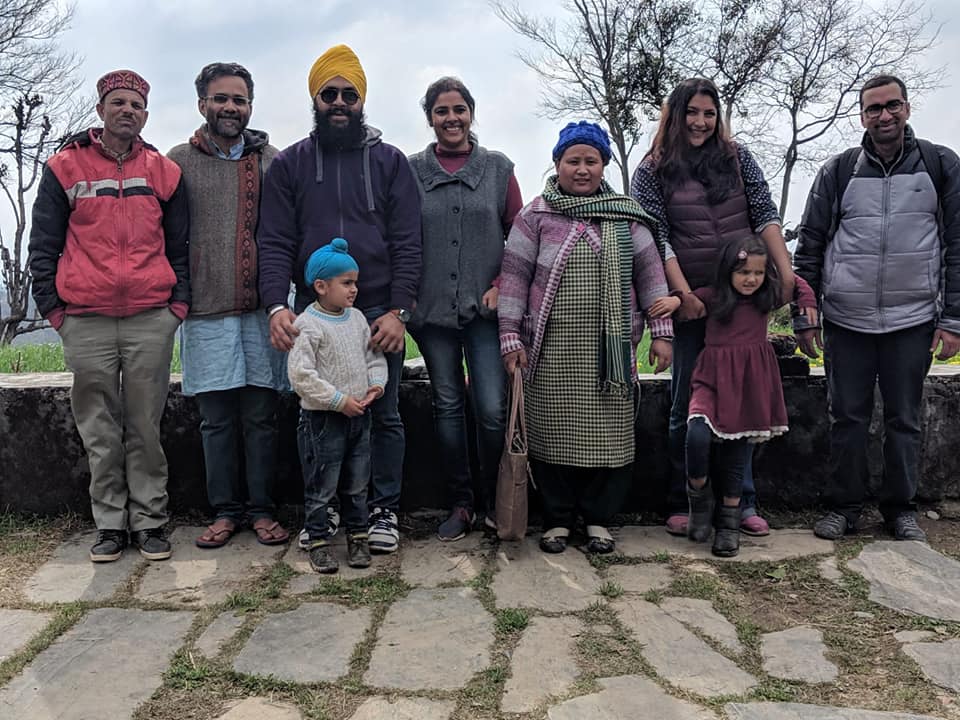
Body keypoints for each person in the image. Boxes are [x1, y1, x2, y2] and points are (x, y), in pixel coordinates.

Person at [258, 44, 421, 555]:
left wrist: (399, 311)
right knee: (318, 420)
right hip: (318, 312)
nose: (339, 102)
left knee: (384, 413)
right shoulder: (290, 166)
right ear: (315, 99)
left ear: (362, 100)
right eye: (329, 93)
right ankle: (321, 512)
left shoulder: (391, 163)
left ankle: (382, 511)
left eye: (349, 94)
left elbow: (409, 242)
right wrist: (276, 306)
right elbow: (275, 241)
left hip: (377, 315)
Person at [28, 70, 189, 562]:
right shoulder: (64, 168)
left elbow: (180, 247)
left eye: (136, 105)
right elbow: (44, 246)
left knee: (145, 425)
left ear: (146, 114)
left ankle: (151, 521)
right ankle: (109, 524)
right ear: (100, 110)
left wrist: (175, 308)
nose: (127, 111)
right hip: (86, 319)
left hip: (149, 318)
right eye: (117, 102)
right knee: (99, 428)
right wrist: (55, 312)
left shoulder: (164, 172)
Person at [795, 74, 960, 542]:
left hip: (913, 319)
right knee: (846, 418)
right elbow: (809, 247)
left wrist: (952, 320)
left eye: (892, 106)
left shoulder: (941, 164)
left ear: (907, 108)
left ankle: (899, 509)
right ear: (861, 115)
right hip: (846, 320)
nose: (884, 116)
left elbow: (957, 246)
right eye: (873, 108)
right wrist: (806, 317)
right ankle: (843, 507)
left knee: (904, 419)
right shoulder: (839, 170)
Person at [498, 121, 676, 555]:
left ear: (604, 165)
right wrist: (509, 336)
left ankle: (598, 517)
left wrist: (662, 334)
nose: (581, 169)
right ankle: (558, 518)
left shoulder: (626, 216)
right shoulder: (535, 216)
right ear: (557, 164)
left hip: (608, 359)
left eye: (590, 161)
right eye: (572, 160)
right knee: (550, 431)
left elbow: (651, 276)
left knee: (611, 435)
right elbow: (514, 279)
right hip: (550, 351)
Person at [630, 77, 794, 538]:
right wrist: (682, 295)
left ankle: (741, 503)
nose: (701, 122)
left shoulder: (738, 159)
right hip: (693, 302)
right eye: (692, 113)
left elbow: (763, 214)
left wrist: (784, 274)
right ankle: (684, 500)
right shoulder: (653, 169)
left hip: (742, 301)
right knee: (687, 406)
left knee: (744, 405)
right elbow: (655, 235)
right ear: (675, 116)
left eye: (709, 113)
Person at [168, 62, 289, 549]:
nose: (230, 108)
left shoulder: (270, 160)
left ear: (250, 107)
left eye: (238, 100)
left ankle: (262, 510)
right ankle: (224, 512)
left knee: (261, 416)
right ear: (202, 105)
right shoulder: (178, 161)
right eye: (220, 99)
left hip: (262, 311)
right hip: (205, 311)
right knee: (215, 420)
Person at [407, 77, 523, 541]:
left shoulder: (497, 169)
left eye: (459, 109)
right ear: (430, 118)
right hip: (432, 314)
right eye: (441, 111)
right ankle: (461, 503)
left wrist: (501, 284)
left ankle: (500, 501)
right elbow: (402, 235)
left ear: (471, 113)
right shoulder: (412, 170)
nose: (451, 118)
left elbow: (521, 236)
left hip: (484, 314)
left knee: (491, 408)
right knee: (448, 406)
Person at [672, 237, 816, 557]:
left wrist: (808, 316)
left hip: (749, 381)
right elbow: (686, 301)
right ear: (727, 272)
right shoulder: (713, 296)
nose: (751, 279)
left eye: (757, 272)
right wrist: (673, 301)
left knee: (738, 450)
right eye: (742, 272)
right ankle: (699, 498)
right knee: (696, 432)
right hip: (711, 378)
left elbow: (797, 283)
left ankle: (729, 523)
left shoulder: (767, 297)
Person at [288, 238, 387, 573]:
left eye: (355, 282)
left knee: (358, 483)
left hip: (360, 416)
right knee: (321, 485)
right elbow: (300, 375)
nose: (354, 290)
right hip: (322, 421)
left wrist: (375, 385)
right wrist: (337, 400)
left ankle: (358, 537)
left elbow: (372, 356)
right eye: (346, 283)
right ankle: (318, 541)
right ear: (321, 286)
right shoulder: (308, 325)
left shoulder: (357, 319)